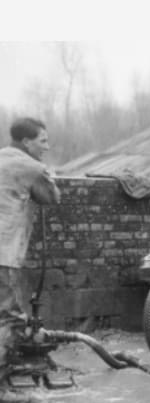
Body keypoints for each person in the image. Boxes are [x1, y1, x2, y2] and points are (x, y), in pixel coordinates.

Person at [0, 117, 62, 369]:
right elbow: (51, 196)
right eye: (42, 141)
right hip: (4, 253)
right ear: (26, 142)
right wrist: (49, 175)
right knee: (10, 319)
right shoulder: (31, 167)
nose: (46, 147)